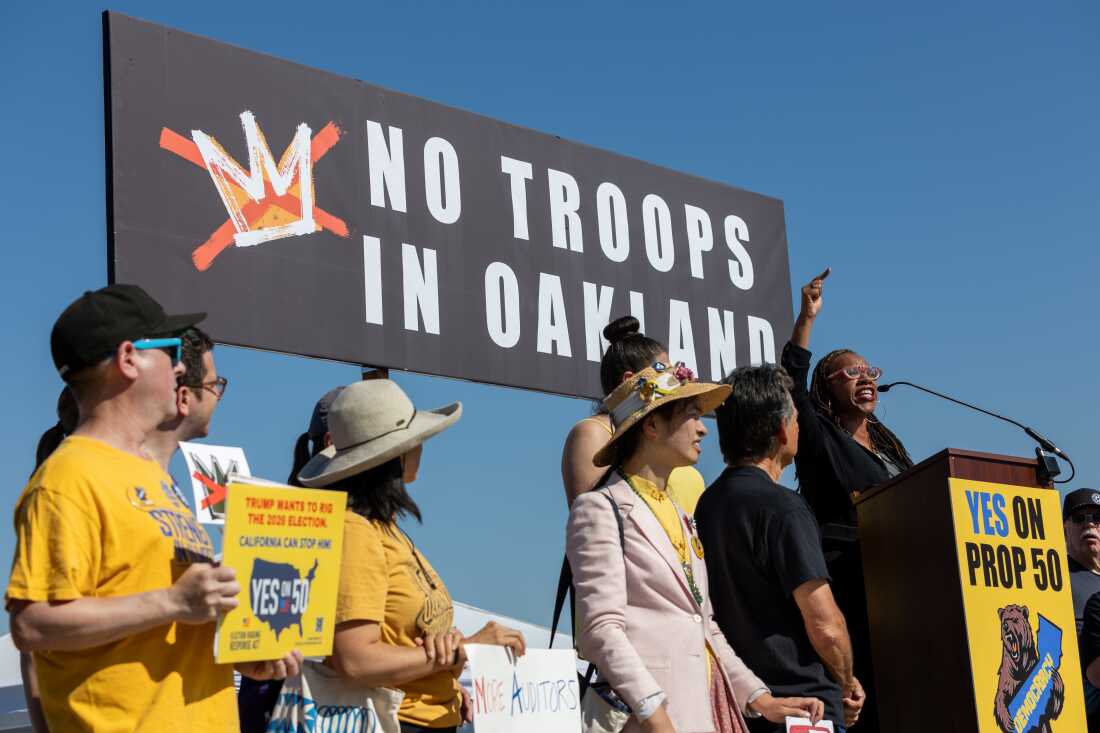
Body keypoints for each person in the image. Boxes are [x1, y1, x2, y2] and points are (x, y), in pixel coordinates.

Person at [6, 284, 296, 732]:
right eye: (170, 351)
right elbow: (33, 624)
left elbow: (164, 624)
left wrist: (241, 656)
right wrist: (172, 601)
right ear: (128, 359)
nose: (180, 366)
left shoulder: (153, 477)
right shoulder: (69, 477)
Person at [568, 363, 825, 733]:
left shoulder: (681, 515)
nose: (703, 427)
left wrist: (758, 697)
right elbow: (600, 628)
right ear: (651, 426)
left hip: (697, 710)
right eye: (690, 415)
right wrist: (653, 713)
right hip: (644, 721)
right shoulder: (600, 509)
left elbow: (705, 627)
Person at [297, 379, 527, 733]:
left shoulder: (381, 530)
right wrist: (463, 649)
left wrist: (446, 678)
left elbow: (396, 642)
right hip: (397, 722)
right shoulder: (356, 531)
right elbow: (354, 659)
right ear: (395, 454)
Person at [698, 364, 865, 732]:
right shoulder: (784, 508)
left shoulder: (707, 505)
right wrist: (847, 681)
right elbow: (825, 624)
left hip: (737, 706)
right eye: (795, 416)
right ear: (780, 429)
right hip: (804, 711)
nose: (800, 425)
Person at [781, 268, 913, 732]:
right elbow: (789, 385)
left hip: (905, 585)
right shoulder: (821, 440)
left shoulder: (890, 446)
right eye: (851, 372)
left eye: (870, 371)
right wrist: (807, 319)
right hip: (853, 581)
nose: (866, 377)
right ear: (828, 388)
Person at [562, 316, 707, 513]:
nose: (673, 381)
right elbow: (593, 517)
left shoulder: (678, 452)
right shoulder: (593, 432)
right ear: (630, 381)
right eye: (663, 372)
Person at [144, 326, 227, 469]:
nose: (217, 397)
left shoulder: (158, 482)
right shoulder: (124, 479)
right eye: (213, 384)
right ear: (183, 398)